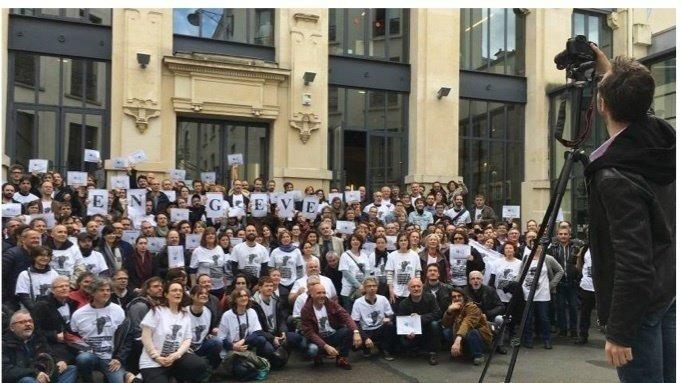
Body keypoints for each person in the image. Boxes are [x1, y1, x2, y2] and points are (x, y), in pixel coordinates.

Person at [585, 46, 675, 382]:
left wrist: (619, 331)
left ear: (602, 104)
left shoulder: (614, 176)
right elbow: (636, 106)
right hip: (665, 292)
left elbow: (633, 260)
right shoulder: (662, 141)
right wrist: (610, 72)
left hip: (638, 311)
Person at [138, 282, 209, 383]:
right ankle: (136, 378)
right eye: (174, 290)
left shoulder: (184, 314)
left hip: (175, 359)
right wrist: (156, 357)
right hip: (153, 362)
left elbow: (187, 339)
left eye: (180, 291)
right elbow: (145, 337)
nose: (178, 293)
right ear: (166, 294)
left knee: (199, 365)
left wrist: (177, 354)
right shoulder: (157, 311)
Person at [70, 278, 128, 383]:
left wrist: (119, 358)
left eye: (108, 290)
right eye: (102, 290)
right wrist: (83, 348)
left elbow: (126, 338)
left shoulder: (118, 310)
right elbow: (71, 337)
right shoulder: (79, 314)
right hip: (89, 355)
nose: (106, 293)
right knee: (83, 359)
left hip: (111, 358)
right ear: (93, 292)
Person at [3, 309, 78, 383]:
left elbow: (50, 354)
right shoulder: (4, 343)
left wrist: (59, 361)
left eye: (30, 321)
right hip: (23, 378)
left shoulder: (38, 338)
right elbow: (5, 370)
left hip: (44, 376)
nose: (28, 324)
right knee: (27, 380)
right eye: (22, 322)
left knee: (71, 369)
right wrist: (34, 373)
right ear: (12, 327)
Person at [300, 283, 361, 370]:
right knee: (312, 349)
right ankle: (318, 356)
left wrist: (356, 331)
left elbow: (345, 315)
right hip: (317, 339)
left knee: (348, 330)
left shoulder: (330, 303)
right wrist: (326, 346)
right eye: (319, 293)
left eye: (324, 292)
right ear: (311, 294)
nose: (322, 295)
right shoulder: (306, 309)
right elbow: (310, 333)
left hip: (332, 335)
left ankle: (342, 359)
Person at [218, 287, 275, 375]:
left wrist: (243, 341)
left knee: (261, 339)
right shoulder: (227, 315)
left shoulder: (251, 311)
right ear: (235, 300)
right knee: (243, 372)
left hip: (245, 345)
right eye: (240, 296)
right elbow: (221, 338)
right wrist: (233, 347)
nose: (244, 298)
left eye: (245, 295)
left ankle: (257, 360)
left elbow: (257, 331)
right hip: (232, 349)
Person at [519, 246, 564, 349]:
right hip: (527, 292)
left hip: (543, 294)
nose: (537, 246)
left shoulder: (548, 258)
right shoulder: (527, 257)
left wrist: (551, 285)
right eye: (534, 243)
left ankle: (546, 340)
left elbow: (560, 271)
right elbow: (521, 273)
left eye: (539, 244)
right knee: (528, 318)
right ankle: (528, 339)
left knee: (544, 318)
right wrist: (518, 285)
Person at [32, 276, 80, 364]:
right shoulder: (42, 306)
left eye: (67, 286)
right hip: (51, 346)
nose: (64, 288)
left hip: (72, 343)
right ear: (53, 290)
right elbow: (35, 331)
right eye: (60, 286)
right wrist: (54, 336)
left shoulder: (72, 304)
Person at [442, 288, 493, 365]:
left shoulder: (472, 307)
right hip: (463, 336)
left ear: (464, 297)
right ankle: (463, 351)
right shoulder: (453, 307)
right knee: (447, 331)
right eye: (454, 297)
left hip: (480, 338)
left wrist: (457, 340)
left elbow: (467, 323)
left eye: (459, 296)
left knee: (471, 332)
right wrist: (449, 311)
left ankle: (478, 354)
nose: (457, 298)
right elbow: (445, 324)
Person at [350, 277, 397, 360]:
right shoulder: (358, 302)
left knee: (390, 326)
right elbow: (355, 322)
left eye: (374, 286)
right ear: (364, 288)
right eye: (369, 286)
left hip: (379, 328)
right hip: (366, 330)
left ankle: (385, 349)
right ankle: (366, 347)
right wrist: (365, 338)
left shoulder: (382, 299)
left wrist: (389, 319)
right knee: (354, 342)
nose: (372, 288)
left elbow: (391, 314)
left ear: (377, 287)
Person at [398, 278, 442, 366]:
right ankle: (414, 348)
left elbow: (438, 314)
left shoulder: (430, 297)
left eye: (418, 286)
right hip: (413, 332)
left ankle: (433, 353)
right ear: (408, 289)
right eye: (413, 287)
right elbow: (401, 323)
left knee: (435, 324)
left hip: (428, 329)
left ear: (422, 287)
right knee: (404, 343)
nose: (416, 289)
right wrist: (406, 332)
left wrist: (420, 318)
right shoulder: (403, 303)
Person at [3, 228, 42, 310]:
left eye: (38, 238)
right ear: (23, 240)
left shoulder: (39, 255)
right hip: (12, 299)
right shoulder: (12, 254)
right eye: (33, 238)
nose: (36, 240)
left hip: (32, 297)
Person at [15, 246, 60, 312]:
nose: (45, 258)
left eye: (48, 256)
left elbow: (57, 294)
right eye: (42, 255)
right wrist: (36, 311)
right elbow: (23, 296)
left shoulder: (54, 273)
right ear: (34, 257)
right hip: (30, 313)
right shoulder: (25, 274)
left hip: (50, 311)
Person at [187, 285, 223, 369]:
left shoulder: (209, 312)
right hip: (186, 348)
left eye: (206, 293)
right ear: (192, 296)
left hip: (201, 345)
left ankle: (213, 368)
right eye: (200, 293)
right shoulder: (184, 312)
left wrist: (211, 334)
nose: (204, 295)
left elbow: (208, 331)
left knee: (217, 342)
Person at [189, 227, 228, 297]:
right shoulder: (197, 251)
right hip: (204, 288)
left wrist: (225, 285)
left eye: (213, 234)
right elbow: (192, 271)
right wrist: (194, 286)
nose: (211, 236)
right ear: (204, 237)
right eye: (208, 234)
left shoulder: (219, 248)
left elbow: (223, 268)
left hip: (220, 287)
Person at [385, 232, 421, 308]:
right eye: (401, 240)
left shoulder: (414, 255)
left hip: (411, 292)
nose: (403, 242)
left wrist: (417, 288)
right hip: (397, 292)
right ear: (398, 242)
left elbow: (417, 273)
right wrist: (391, 291)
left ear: (408, 241)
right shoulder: (392, 255)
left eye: (405, 240)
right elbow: (389, 274)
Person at [338, 234, 369, 311]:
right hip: (349, 291)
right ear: (350, 242)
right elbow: (346, 273)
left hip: (362, 291)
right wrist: (359, 286)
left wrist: (364, 285)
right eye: (353, 240)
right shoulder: (345, 255)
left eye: (357, 240)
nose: (355, 242)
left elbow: (367, 271)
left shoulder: (364, 255)